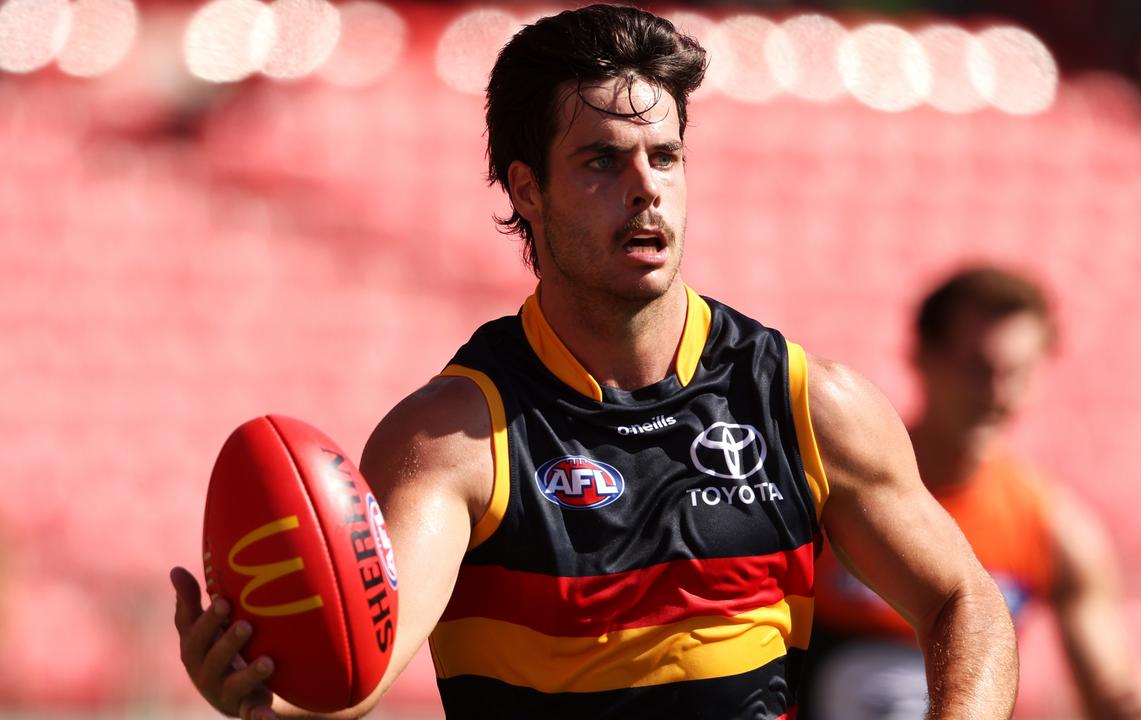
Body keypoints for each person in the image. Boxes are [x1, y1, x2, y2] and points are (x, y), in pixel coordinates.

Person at [171, 6, 1018, 719]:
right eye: (601, 161)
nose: (646, 187)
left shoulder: (807, 402)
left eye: (666, 157)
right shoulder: (458, 439)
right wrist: (266, 693)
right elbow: (365, 667)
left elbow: (963, 600)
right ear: (526, 190)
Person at [803, 266, 1141, 720]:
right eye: (977, 369)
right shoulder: (829, 485)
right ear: (922, 357)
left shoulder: (1052, 526)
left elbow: (1107, 690)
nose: (996, 394)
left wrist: (1133, 704)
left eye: (1017, 372)